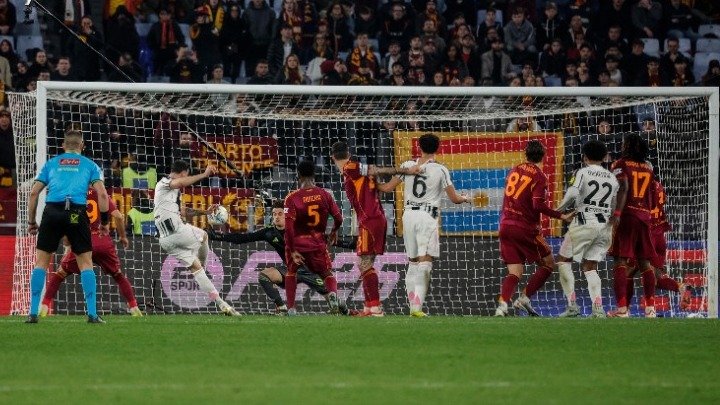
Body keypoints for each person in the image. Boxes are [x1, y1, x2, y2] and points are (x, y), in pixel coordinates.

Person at [376, 134, 469, 317]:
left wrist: (369, 182)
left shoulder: (407, 166)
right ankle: (417, 308)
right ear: (437, 148)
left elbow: (386, 188)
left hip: (409, 216)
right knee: (425, 263)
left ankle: (414, 307)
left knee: (412, 263)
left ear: (419, 147)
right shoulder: (441, 169)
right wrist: (465, 198)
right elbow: (454, 199)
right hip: (427, 216)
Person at [208, 200, 355, 315]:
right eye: (274, 214)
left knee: (334, 301)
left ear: (287, 216)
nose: (276, 217)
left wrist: (349, 244)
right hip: (290, 270)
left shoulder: (299, 229)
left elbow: (325, 239)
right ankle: (281, 307)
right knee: (264, 275)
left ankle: (347, 312)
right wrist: (219, 236)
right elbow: (244, 238)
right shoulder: (269, 232)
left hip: (310, 270)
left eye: (280, 214)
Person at [25, 130, 110, 323]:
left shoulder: (51, 163)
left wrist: (31, 222)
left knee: (41, 263)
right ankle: (92, 314)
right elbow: (102, 194)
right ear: (82, 146)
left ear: (63, 146)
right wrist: (104, 222)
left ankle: (32, 313)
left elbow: (34, 193)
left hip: (52, 212)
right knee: (86, 263)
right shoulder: (90, 165)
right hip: (76, 212)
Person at [330, 141, 420, 316]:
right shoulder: (355, 173)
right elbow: (377, 183)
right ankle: (369, 307)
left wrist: (406, 171)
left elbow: (375, 170)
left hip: (370, 219)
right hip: (373, 218)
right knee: (364, 263)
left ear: (332, 157)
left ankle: (375, 307)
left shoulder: (351, 167)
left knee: (364, 263)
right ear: (348, 152)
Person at [494, 140, 574, 317]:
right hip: (525, 228)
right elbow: (537, 205)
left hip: (505, 225)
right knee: (548, 263)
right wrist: (561, 216)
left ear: (526, 154)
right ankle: (524, 299)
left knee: (514, 272)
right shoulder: (539, 176)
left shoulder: (514, 170)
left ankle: (502, 305)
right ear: (543, 156)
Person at [154, 160, 239, 316]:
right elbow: (179, 182)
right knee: (204, 236)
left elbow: (184, 212)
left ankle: (222, 305)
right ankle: (204, 267)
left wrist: (205, 213)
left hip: (166, 240)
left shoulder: (173, 194)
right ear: (183, 173)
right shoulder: (164, 183)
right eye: (186, 175)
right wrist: (205, 174)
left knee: (195, 268)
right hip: (176, 231)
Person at [39, 188, 142, 317]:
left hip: (83, 241)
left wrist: (69, 240)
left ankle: (44, 306)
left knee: (60, 273)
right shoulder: (100, 194)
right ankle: (134, 307)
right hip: (102, 241)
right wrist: (123, 237)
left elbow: (69, 221)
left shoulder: (74, 195)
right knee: (118, 275)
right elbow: (118, 216)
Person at [554, 140, 619, 318]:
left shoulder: (582, 172)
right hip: (604, 226)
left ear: (584, 157)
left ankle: (572, 306)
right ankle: (598, 309)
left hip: (584, 221)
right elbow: (614, 205)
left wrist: (558, 210)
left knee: (563, 260)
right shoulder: (612, 178)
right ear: (604, 157)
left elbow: (573, 193)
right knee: (590, 267)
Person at [284, 160, 343, 316]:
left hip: (298, 244)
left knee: (291, 272)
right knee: (326, 274)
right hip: (317, 243)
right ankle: (332, 295)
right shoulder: (325, 195)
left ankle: (291, 308)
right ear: (314, 174)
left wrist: (292, 250)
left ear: (298, 175)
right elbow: (339, 218)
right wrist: (334, 231)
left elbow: (288, 228)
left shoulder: (292, 198)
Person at [607, 134, 657, 318]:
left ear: (628, 146)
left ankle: (622, 309)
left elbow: (623, 187)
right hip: (645, 217)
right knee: (645, 262)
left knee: (620, 261)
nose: (621, 146)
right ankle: (650, 309)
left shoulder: (620, 164)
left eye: (624, 143)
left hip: (627, 215)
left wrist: (617, 214)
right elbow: (652, 198)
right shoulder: (648, 168)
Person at [625, 177, 691, 311]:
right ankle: (680, 287)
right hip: (659, 236)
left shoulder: (640, 189)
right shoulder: (659, 186)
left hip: (647, 236)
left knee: (628, 272)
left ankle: (626, 309)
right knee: (656, 278)